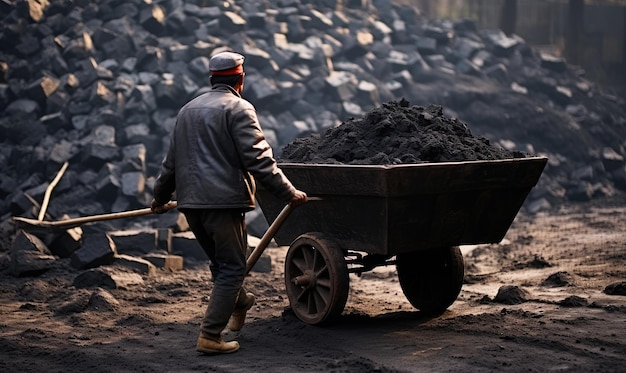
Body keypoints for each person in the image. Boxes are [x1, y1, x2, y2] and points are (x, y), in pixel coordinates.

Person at [150, 51, 307, 355]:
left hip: (191, 205)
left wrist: (160, 197)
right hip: (223, 204)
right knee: (233, 267)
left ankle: (240, 301)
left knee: (221, 265)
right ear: (241, 80)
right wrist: (289, 192)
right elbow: (259, 160)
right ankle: (210, 335)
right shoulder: (239, 108)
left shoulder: (187, 110)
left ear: (211, 80)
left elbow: (170, 164)